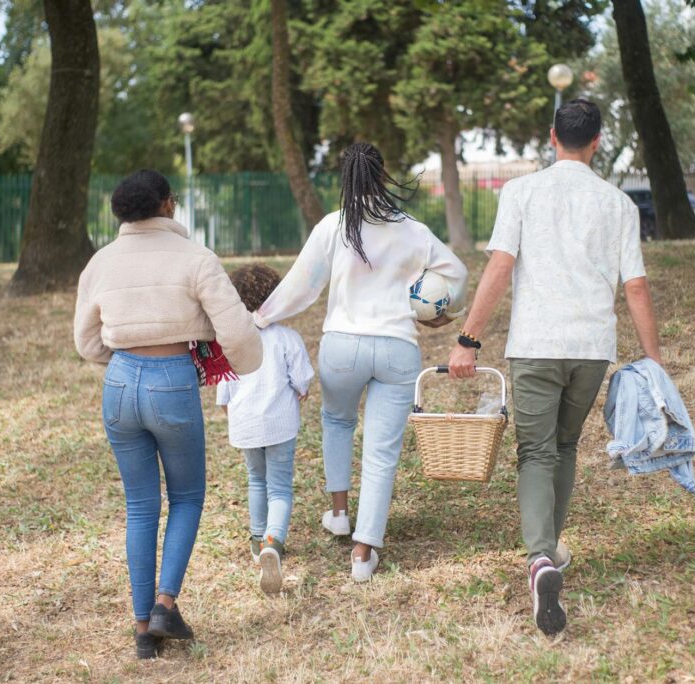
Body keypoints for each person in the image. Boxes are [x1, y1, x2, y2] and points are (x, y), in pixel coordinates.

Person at [447, 99, 662, 636]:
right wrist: (654, 362)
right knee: (564, 447)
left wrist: (468, 340)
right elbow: (635, 286)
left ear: (552, 137)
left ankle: (541, 558)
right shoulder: (618, 204)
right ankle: (549, 553)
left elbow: (500, 266)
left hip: (536, 344)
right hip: (591, 347)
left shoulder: (520, 192)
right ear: (596, 142)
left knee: (535, 451)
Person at [254, 142, 469, 582]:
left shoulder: (334, 226)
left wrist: (260, 316)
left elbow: (301, 286)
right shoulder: (413, 230)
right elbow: (458, 275)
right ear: (383, 174)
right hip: (397, 348)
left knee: (336, 422)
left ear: (344, 178)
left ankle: (338, 513)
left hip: (342, 347)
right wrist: (442, 312)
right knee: (381, 450)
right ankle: (363, 553)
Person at [73, 169, 262, 659]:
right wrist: (244, 365)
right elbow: (237, 333)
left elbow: (86, 341)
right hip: (172, 380)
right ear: (167, 205)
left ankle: (142, 631)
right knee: (186, 497)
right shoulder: (195, 258)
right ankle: (164, 605)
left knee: (139, 505)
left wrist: (119, 364)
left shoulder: (100, 262)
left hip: (118, 383)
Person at [216, 263, 314, 595]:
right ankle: (274, 541)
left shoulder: (230, 342)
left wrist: (236, 415)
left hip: (245, 425)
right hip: (280, 424)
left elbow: (224, 392)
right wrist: (301, 390)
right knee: (280, 488)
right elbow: (302, 381)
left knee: (256, 480)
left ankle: (258, 541)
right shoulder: (287, 338)